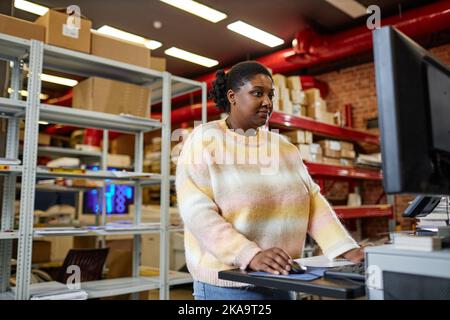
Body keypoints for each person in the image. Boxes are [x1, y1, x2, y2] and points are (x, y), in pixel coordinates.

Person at [175, 61, 364, 300]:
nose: (267, 102)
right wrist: (249, 254)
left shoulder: (284, 147)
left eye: (270, 95)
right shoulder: (204, 140)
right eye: (257, 93)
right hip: (231, 284)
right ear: (232, 97)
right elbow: (197, 212)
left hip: (283, 280)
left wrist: (344, 248)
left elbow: (312, 200)